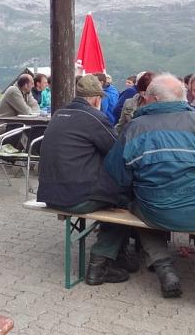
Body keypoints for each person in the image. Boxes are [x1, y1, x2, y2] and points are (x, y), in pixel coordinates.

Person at [105, 73, 195, 308]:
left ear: (154, 99)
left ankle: (164, 268)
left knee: (141, 207)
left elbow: (116, 173)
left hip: (155, 209)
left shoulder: (135, 128)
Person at [38, 74, 134, 285]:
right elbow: (116, 151)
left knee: (114, 195)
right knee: (125, 205)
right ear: (96, 98)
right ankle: (100, 264)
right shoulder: (94, 118)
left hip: (48, 194)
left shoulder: (59, 114)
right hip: (76, 198)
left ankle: (119, 256)